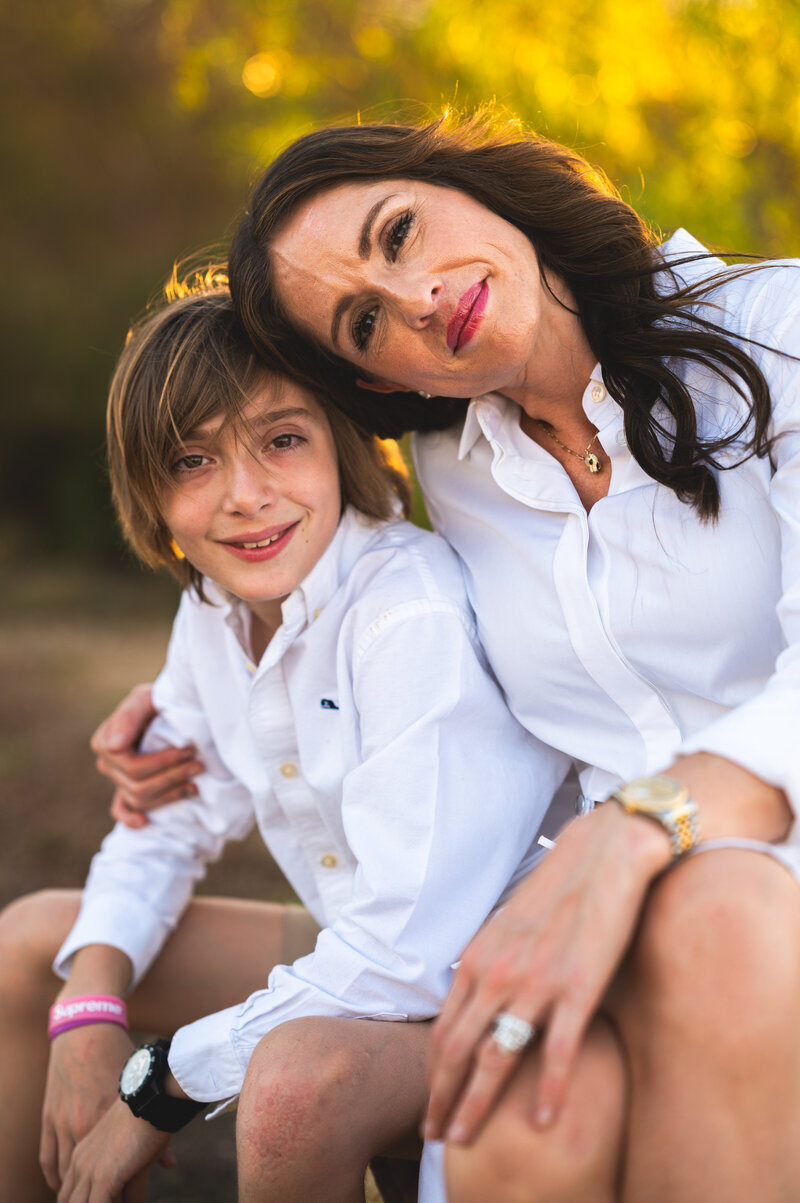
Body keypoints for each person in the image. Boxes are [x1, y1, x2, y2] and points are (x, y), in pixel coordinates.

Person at [100, 108, 800, 1202]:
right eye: (364, 323)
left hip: (718, 875)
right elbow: (367, 592)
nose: (418, 299)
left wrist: (636, 828)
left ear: (470, 182)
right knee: (510, 1122)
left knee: (712, 915)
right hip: (593, 912)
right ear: (377, 384)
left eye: (398, 233)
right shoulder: (459, 461)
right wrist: (186, 707)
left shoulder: (774, 327)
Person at [0, 273, 564, 1203]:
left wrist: (160, 1082)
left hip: (495, 984)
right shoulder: (215, 612)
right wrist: (89, 1008)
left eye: (282, 440)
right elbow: (165, 820)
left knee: (290, 1088)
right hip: (367, 940)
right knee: (35, 946)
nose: (246, 496)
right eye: (193, 460)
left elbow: (406, 953)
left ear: (342, 442)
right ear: (148, 493)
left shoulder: (403, 611)